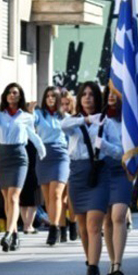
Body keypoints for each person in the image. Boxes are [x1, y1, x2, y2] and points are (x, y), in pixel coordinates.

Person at [61, 82, 107, 275]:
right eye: (84, 95)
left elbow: (117, 149)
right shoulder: (74, 121)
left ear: (98, 98)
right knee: (81, 224)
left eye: (92, 95)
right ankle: (90, 262)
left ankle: (93, 270)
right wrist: (87, 120)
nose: (88, 98)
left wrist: (104, 145)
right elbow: (63, 126)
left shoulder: (106, 122)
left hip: (98, 172)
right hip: (77, 173)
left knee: (93, 225)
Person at [0, 83, 46, 252]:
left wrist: (41, 150)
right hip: (3, 155)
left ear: (20, 96)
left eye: (15, 93)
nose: (12, 95)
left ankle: (8, 233)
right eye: (9, 92)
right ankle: (15, 234)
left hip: (19, 156)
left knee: (14, 197)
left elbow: (32, 135)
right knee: (7, 200)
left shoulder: (26, 116)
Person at [101, 86, 138, 275]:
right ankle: (112, 260)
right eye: (108, 93)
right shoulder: (100, 119)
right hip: (102, 172)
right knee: (107, 219)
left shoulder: (128, 121)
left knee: (118, 216)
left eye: (115, 94)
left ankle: (118, 262)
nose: (111, 97)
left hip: (123, 171)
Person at [35, 86, 70, 245]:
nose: (50, 99)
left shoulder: (65, 117)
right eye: (47, 96)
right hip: (43, 155)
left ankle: (54, 228)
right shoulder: (37, 115)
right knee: (48, 197)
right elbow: (28, 124)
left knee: (57, 194)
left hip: (61, 155)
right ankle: (58, 225)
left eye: (53, 96)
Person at [19, 101, 40, 235]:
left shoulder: (22, 138)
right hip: (31, 168)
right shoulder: (34, 139)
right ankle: (28, 225)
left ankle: (27, 225)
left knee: (25, 199)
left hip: (26, 169)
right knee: (31, 199)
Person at [59, 89, 78, 241]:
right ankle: (62, 227)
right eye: (62, 104)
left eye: (67, 104)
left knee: (71, 195)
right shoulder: (56, 119)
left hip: (71, 159)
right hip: (58, 159)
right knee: (60, 196)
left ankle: (73, 224)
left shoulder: (74, 119)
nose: (64, 106)